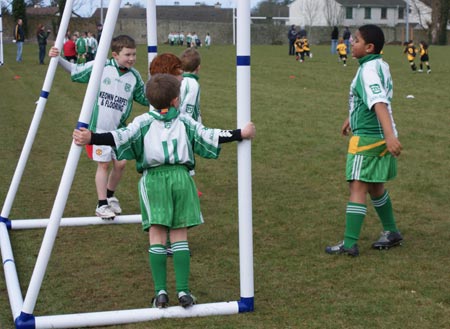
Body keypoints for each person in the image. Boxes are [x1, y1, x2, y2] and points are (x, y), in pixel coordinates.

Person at [72, 73, 256, 308]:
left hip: (154, 180)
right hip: (182, 179)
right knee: (180, 236)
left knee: (157, 236)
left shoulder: (142, 122)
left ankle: (160, 292)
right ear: (176, 100)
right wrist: (241, 133)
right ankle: (183, 292)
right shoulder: (185, 121)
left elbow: (119, 137)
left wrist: (91, 137)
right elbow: (209, 135)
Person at [49, 35, 149, 219]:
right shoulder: (101, 67)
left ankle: (109, 196)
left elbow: (146, 97)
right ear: (115, 54)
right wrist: (57, 58)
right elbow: (75, 69)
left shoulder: (134, 76)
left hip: (119, 130)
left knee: (121, 164)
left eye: (134, 54)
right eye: (128, 54)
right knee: (103, 164)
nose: (132, 58)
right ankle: (101, 204)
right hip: (97, 129)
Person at [325, 24, 403, 257]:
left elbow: (379, 102)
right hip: (377, 134)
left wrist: (389, 136)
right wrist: (351, 117)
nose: (351, 42)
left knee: (357, 186)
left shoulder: (367, 71)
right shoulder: (379, 65)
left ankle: (349, 243)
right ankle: (391, 232)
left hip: (369, 139)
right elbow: (368, 99)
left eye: (356, 40)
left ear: (369, 47)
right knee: (375, 186)